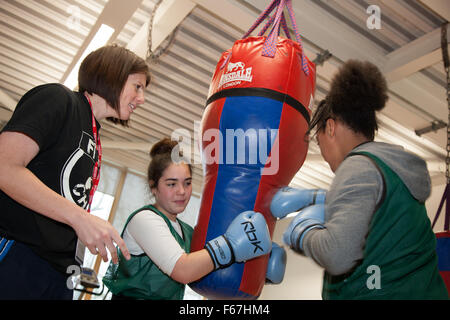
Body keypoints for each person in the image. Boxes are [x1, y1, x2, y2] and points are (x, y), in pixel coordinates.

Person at [271, 60, 448, 299]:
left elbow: (337, 255)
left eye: (318, 138)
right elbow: (371, 225)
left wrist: (303, 231)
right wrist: (321, 200)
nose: (322, 154)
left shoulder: (358, 166)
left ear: (330, 128)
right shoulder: (391, 169)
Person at [0, 44, 150, 299]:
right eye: (137, 86)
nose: (142, 99)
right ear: (112, 73)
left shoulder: (93, 131)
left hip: (59, 271)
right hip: (20, 254)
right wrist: (80, 218)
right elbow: (4, 166)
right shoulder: (59, 99)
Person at [102, 138, 272, 300]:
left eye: (187, 183)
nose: (182, 191)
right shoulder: (144, 220)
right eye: (171, 184)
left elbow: (207, 271)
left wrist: (258, 268)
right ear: (153, 186)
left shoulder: (187, 232)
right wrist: (230, 245)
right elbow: (183, 270)